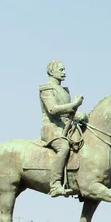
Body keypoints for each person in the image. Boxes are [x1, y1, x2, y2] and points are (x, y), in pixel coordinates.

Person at [39, 60, 86, 197]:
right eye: (61, 69)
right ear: (51, 71)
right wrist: (74, 104)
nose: (64, 72)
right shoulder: (46, 88)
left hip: (67, 128)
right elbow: (52, 109)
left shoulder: (64, 91)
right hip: (52, 129)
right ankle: (55, 185)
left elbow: (67, 114)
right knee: (63, 148)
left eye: (64, 69)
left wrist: (78, 116)